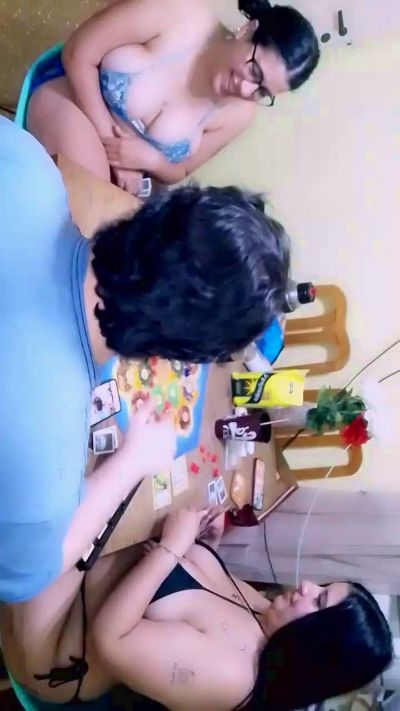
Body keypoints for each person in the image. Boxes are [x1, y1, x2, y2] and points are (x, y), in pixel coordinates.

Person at [0, 117, 289, 603]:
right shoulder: (43, 453)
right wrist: (132, 461)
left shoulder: (29, 163)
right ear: (177, 355)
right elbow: (21, 579)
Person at [1, 508, 393, 711]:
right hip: (86, 570)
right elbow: (197, 601)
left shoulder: (233, 676)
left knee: (33, 504)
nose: (307, 586)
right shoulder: (268, 616)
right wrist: (208, 542)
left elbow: (111, 640)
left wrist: (173, 548)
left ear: (317, 647)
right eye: (322, 587)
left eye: (319, 601)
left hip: (53, 642)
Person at [25, 0, 320, 195]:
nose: (245, 90)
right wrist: (119, 157)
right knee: (91, 209)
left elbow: (182, 169)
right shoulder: (178, 12)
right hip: (76, 102)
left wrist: (152, 160)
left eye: (262, 91)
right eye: (254, 70)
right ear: (247, 30)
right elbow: (78, 54)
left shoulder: (241, 113)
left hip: (133, 177)